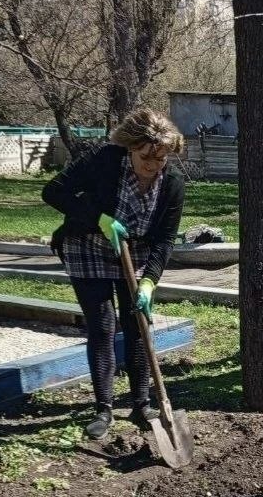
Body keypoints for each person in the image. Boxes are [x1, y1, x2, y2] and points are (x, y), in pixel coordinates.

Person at [42, 108, 185, 439]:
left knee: (137, 324)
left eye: (161, 158)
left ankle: (142, 404)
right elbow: (53, 192)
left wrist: (148, 282)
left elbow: (165, 240)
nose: (153, 165)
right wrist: (100, 219)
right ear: (130, 147)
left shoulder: (173, 184)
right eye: (146, 157)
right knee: (103, 326)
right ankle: (103, 409)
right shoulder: (104, 160)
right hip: (87, 245)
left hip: (136, 251)